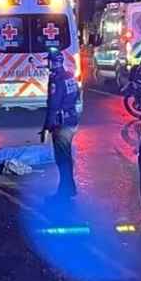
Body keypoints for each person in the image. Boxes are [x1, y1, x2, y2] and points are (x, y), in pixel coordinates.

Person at [40, 47, 80, 200]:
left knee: (62, 159)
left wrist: (46, 127)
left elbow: (53, 105)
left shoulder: (56, 80)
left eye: (49, 61)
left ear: (54, 62)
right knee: (66, 157)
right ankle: (69, 188)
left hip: (61, 124)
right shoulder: (70, 76)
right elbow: (76, 96)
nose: (48, 64)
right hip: (72, 120)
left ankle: (65, 192)